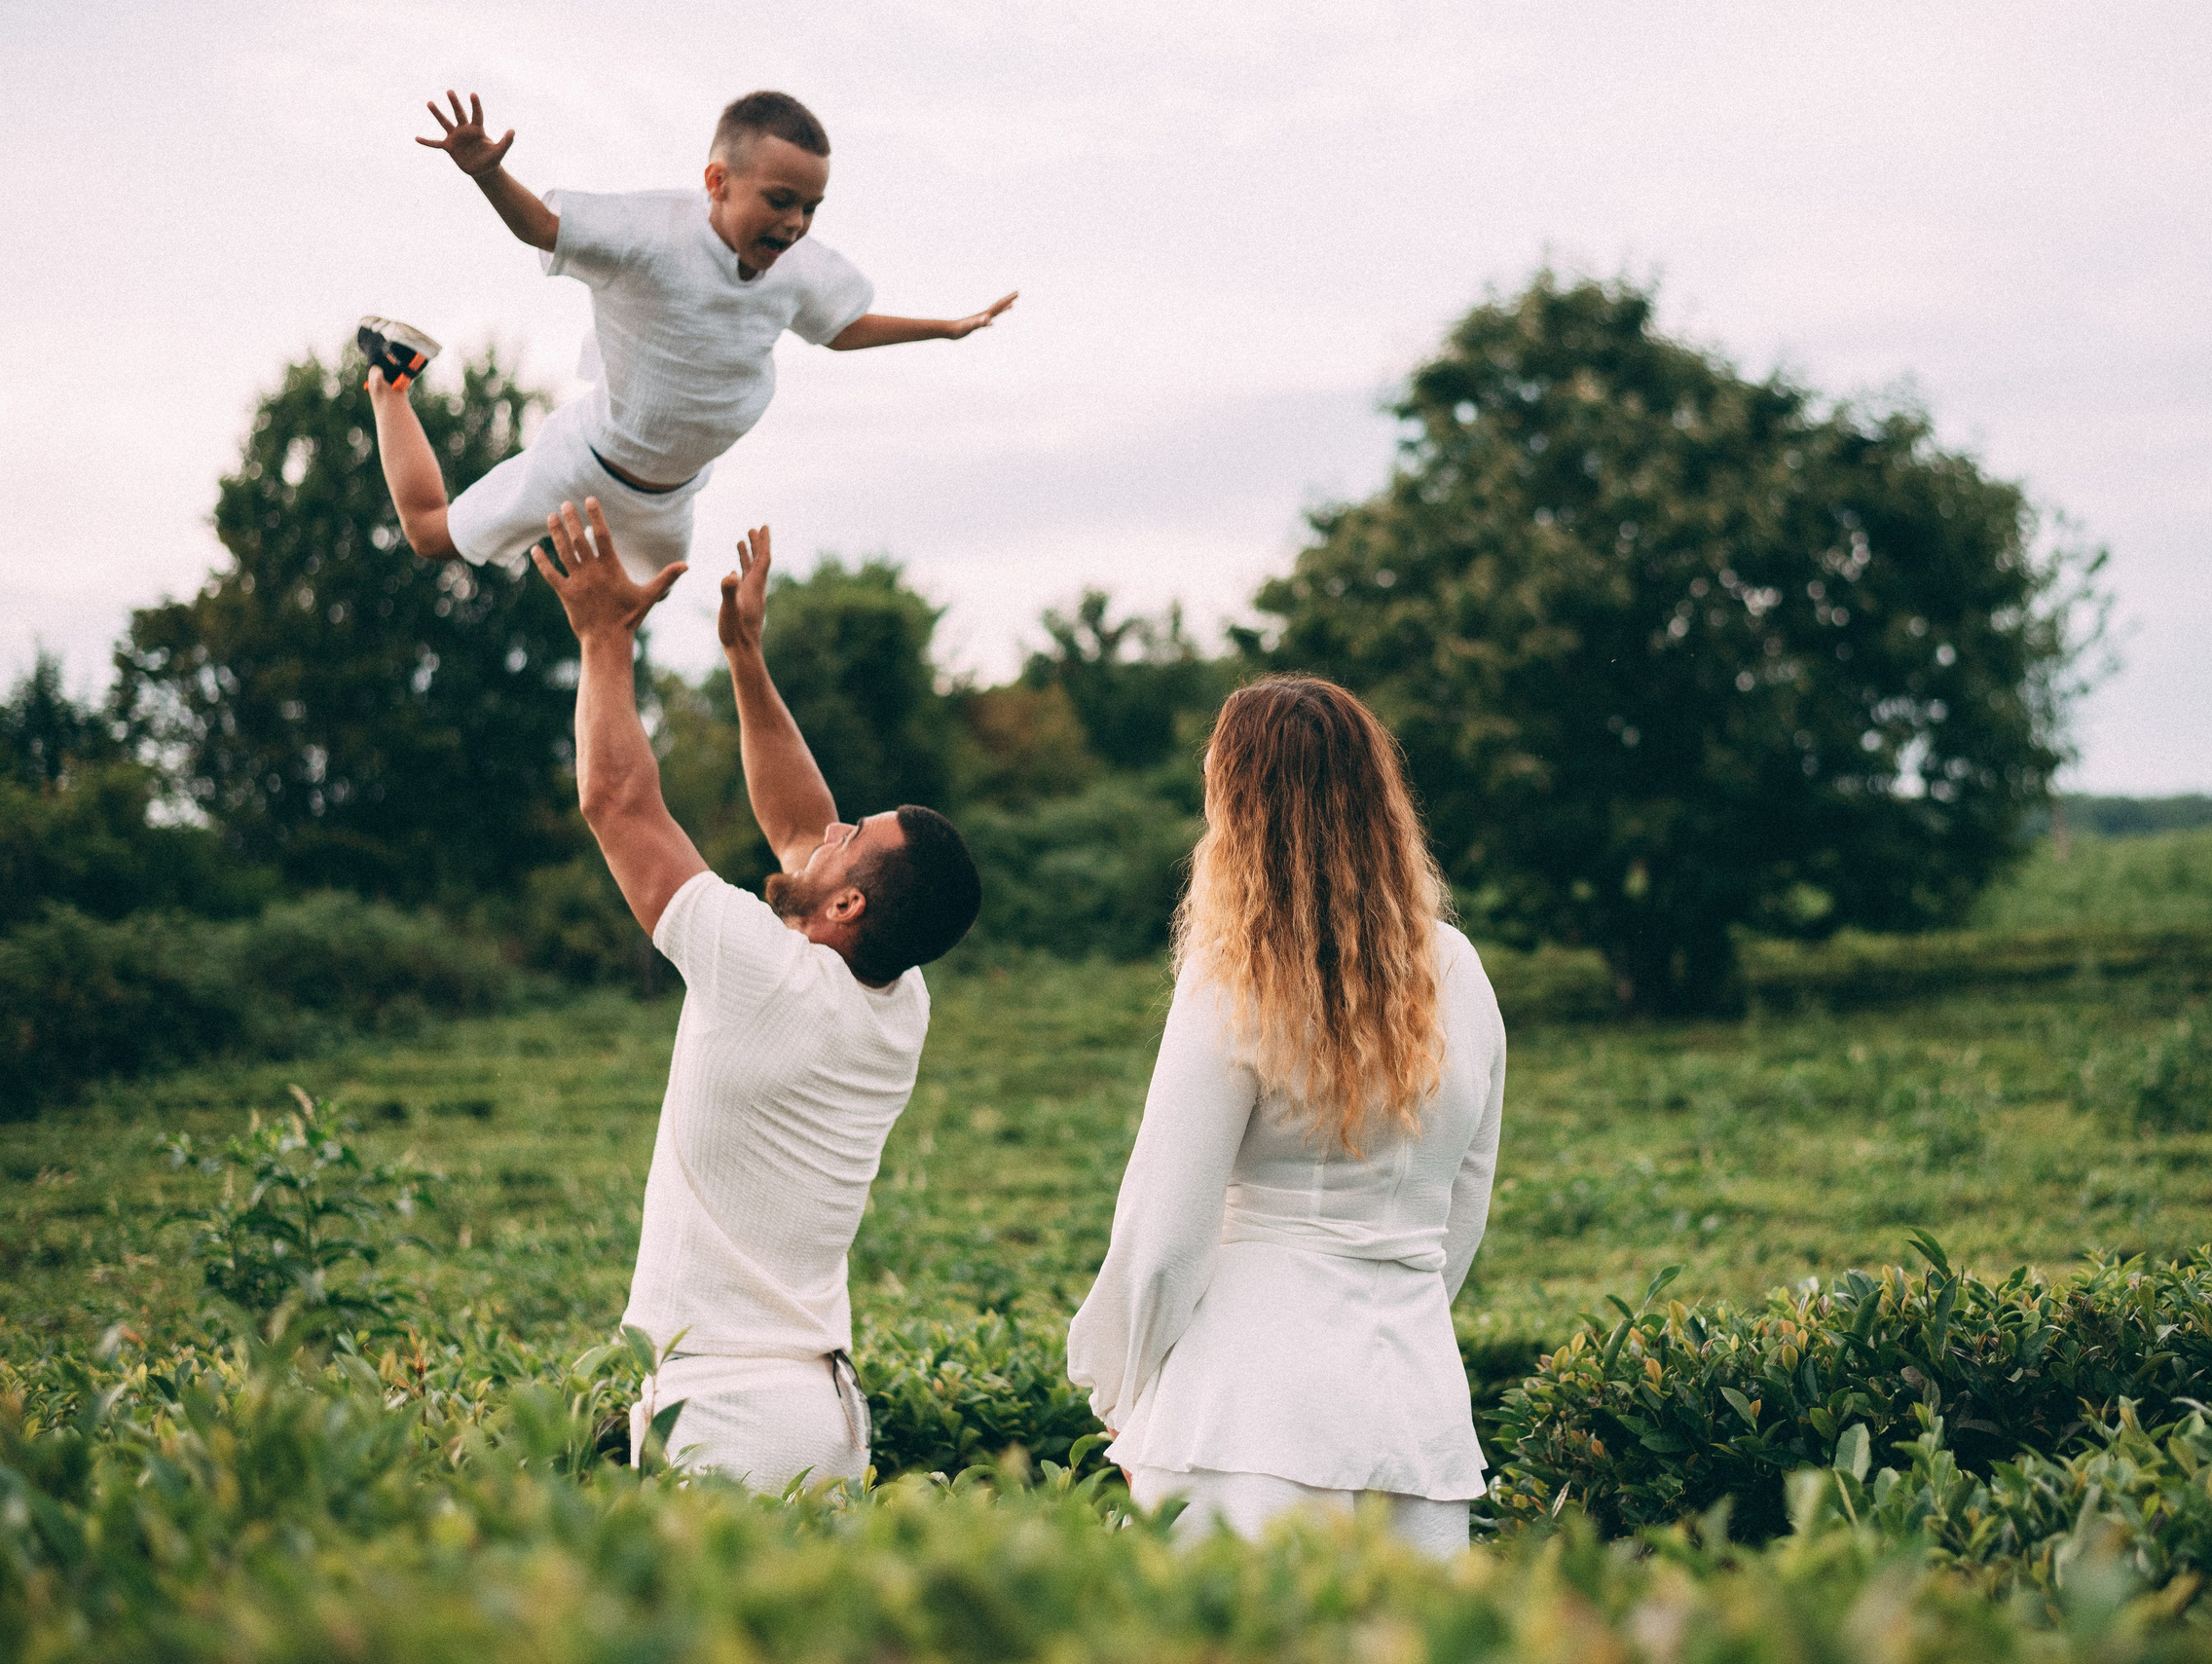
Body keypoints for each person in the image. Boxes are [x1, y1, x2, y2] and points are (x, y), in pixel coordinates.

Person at [528, 497, 980, 1492]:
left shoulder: (761, 971)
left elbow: (618, 802)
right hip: (817, 1406)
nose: (828, 827)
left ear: (850, 899)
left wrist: (604, 638)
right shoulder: (895, 997)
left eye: (849, 836)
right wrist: (745, 660)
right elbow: (798, 824)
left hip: (728, 1414)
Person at [1066, 676, 1506, 1557]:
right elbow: (1465, 1204)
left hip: (1245, 1403)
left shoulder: (1232, 978)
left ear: (1236, 808)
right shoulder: (1462, 974)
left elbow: (1168, 1223)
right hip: (1414, 1409)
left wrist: (1121, 1387)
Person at [362, 88, 1017, 582]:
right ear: (717, 182)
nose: (795, 224)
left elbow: (840, 329)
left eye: (811, 208)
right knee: (430, 536)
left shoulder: (800, 269)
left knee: (642, 606)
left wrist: (944, 329)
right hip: (585, 465)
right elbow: (543, 228)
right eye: (780, 200)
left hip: (672, 494)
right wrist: (486, 171)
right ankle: (389, 377)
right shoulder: (648, 234)